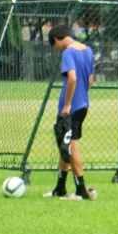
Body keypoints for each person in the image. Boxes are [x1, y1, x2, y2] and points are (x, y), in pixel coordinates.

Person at [47, 24, 97, 200]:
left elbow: (72, 78)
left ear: (56, 40)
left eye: (54, 47)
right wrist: (81, 96)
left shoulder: (68, 52)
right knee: (65, 146)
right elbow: (90, 80)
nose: (56, 50)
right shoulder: (87, 50)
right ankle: (60, 188)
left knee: (72, 147)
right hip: (83, 105)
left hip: (71, 109)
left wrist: (67, 104)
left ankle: (81, 191)